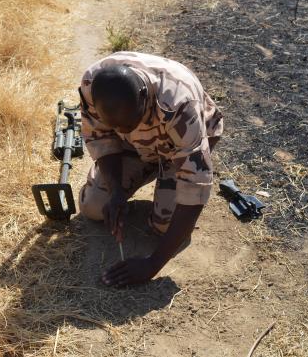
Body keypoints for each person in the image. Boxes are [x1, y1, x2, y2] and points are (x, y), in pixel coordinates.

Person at [78, 51, 223, 287]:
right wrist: (116, 192)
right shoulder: (92, 87)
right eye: (118, 127)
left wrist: (152, 264)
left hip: (178, 145)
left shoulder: (179, 104)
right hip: (136, 149)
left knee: (165, 227)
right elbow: (102, 138)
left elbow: (195, 184)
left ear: (144, 97)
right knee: (93, 207)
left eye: (129, 124)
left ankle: (165, 171)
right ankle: (145, 173)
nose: (124, 131)